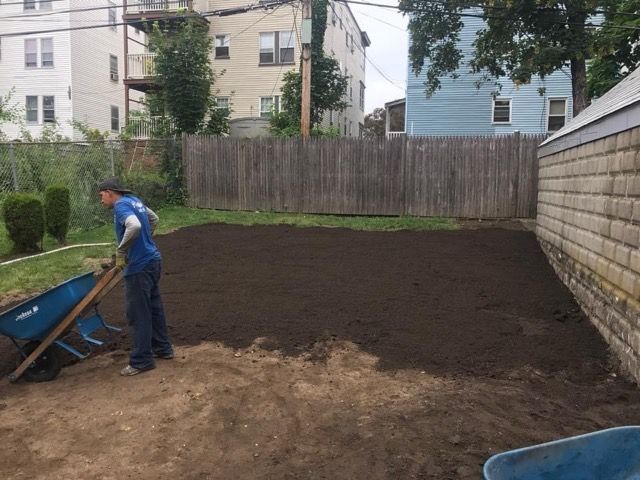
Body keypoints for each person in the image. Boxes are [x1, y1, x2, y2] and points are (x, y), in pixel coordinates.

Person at [98, 177, 173, 376]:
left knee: (138, 314)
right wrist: (146, 242)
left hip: (139, 266)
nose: (101, 199)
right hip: (153, 260)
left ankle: (142, 360)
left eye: (101, 195)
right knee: (155, 308)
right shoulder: (134, 200)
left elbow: (134, 226)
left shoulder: (121, 205)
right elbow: (153, 219)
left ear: (110, 192)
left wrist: (122, 251)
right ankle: (163, 349)